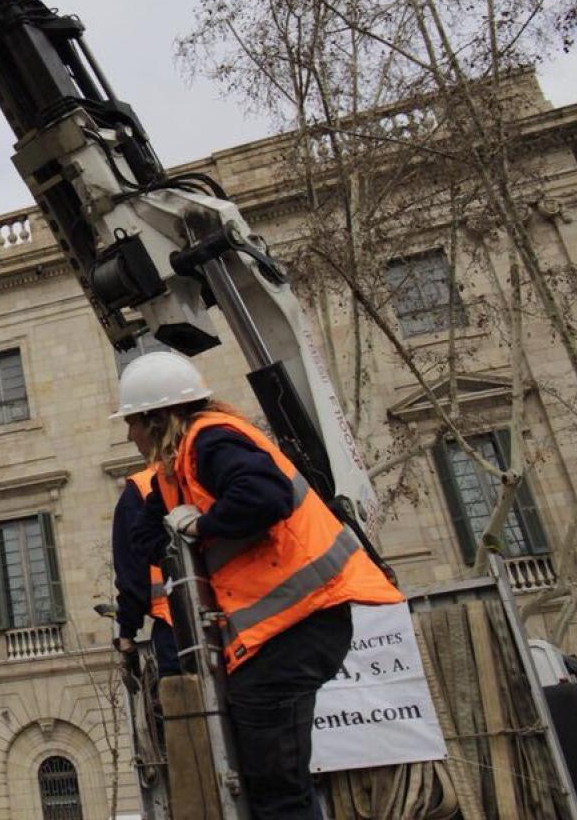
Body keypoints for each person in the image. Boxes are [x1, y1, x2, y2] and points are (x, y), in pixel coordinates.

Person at [118, 350, 401, 820]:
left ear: (156, 417)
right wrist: (173, 522)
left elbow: (264, 496)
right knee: (261, 776)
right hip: (279, 632)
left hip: (300, 622)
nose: (128, 435)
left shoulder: (212, 442)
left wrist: (201, 527)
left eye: (131, 422)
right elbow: (145, 541)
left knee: (276, 784)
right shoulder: (176, 471)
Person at [111, 463, 179, 676]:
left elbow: (132, 569)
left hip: (174, 620)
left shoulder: (140, 487)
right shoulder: (207, 461)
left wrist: (127, 632)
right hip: (237, 612)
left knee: (186, 701)